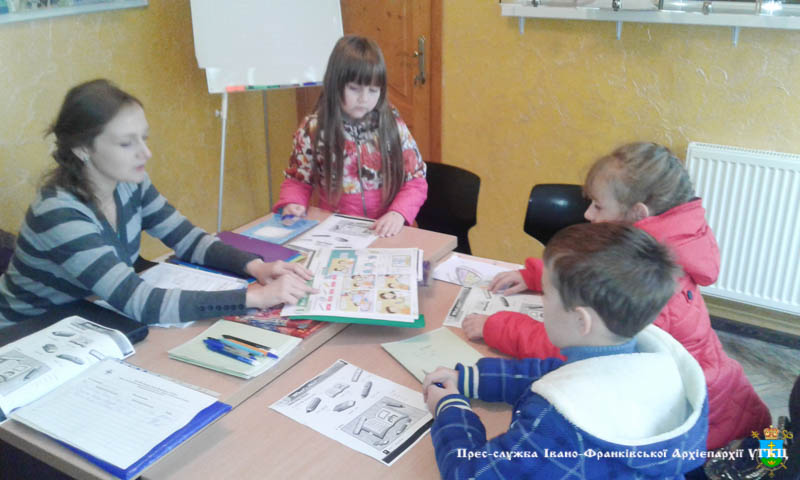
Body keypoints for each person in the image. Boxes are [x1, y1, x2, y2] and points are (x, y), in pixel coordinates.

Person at [462, 142, 771, 450]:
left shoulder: (638, 279)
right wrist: (534, 275)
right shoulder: (657, 252)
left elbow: (570, 351)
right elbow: (593, 267)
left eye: (598, 206)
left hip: (695, 428)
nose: (587, 214)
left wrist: (498, 327)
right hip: (723, 395)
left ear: (637, 213)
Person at [0, 79, 316, 328]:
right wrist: (254, 297)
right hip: (26, 334)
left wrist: (256, 267)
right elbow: (141, 303)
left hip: (85, 315)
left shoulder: (129, 183)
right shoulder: (59, 213)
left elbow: (188, 239)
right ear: (82, 149)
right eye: (127, 143)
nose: (145, 153)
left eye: (144, 138)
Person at [423, 223, 709, 479]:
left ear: (581, 320)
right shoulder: (646, 360)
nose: (542, 302)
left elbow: (472, 474)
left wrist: (450, 410)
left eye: (547, 294)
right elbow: (555, 373)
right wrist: (472, 379)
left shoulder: (554, 423)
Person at [274, 35, 427, 238]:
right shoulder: (314, 129)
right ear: (335, 84)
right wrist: (294, 202)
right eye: (354, 88)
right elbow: (298, 180)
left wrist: (398, 213)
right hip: (336, 231)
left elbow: (416, 180)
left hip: (389, 230)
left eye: (373, 90)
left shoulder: (392, 125)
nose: (364, 98)